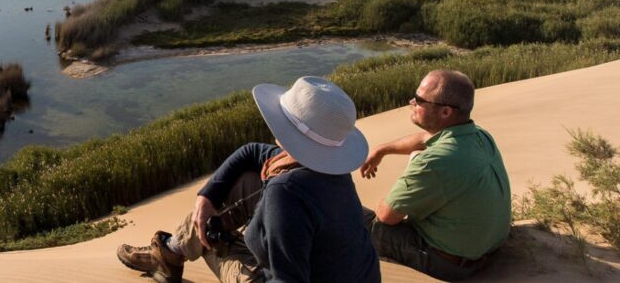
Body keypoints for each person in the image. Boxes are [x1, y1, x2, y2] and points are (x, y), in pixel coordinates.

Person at [116, 76, 380, 283]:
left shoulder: (285, 192)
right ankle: (170, 252)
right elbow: (252, 151)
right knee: (243, 181)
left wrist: (208, 215)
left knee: (204, 229)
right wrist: (207, 195)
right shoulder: (327, 172)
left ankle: (168, 254)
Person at [360, 70, 510, 280]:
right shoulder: (479, 135)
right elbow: (425, 139)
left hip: (449, 263)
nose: (411, 101)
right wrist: (382, 149)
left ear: (445, 112)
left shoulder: (435, 161)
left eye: (420, 100)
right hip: (485, 248)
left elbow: (386, 217)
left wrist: (412, 168)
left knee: (357, 217)